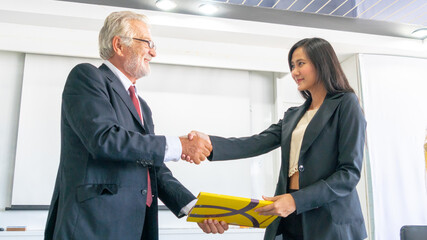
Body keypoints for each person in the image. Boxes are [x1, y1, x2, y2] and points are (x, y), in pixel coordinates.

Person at [44, 11, 227, 240]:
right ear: (119, 45)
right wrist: (179, 146)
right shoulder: (87, 78)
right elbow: (105, 139)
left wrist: (194, 208)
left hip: (136, 227)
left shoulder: (142, 106)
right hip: (92, 227)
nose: (154, 52)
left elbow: (150, 166)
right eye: (147, 43)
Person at [186, 38, 367, 240]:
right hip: (289, 218)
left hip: (330, 222)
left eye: (300, 64)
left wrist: (296, 200)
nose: (294, 72)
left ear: (322, 63)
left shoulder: (345, 103)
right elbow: (256, 142)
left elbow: (349, 173)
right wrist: (209, 144)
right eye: (292, 66)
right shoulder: (294, 114)